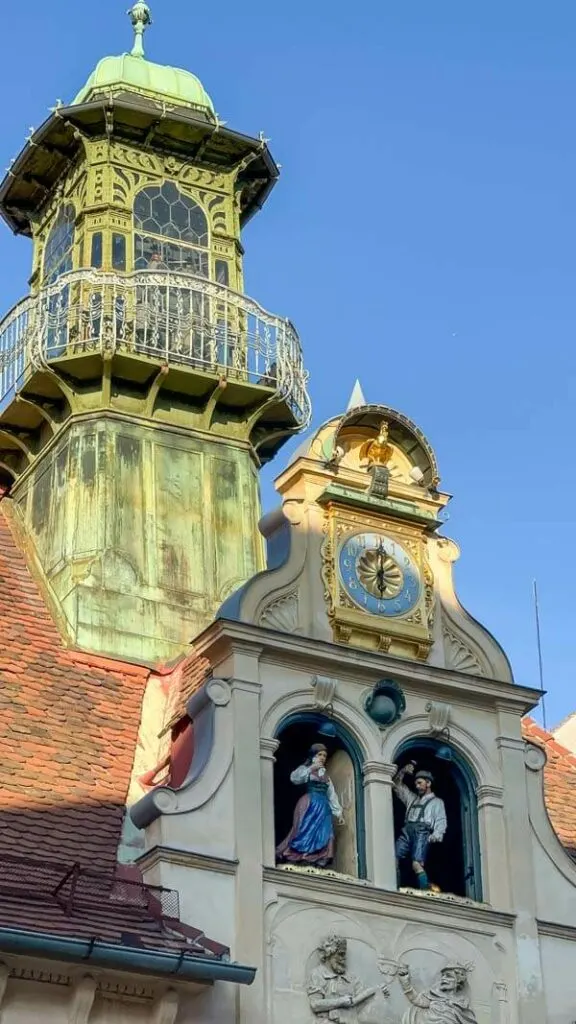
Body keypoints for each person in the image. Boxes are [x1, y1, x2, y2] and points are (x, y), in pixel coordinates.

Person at [276, 743, 343, 868]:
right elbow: (294, 778)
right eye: (320, 754)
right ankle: (298, 856)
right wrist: (310, 768)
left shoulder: (325, 775)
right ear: (313, 755)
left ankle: (317, 858)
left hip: (323, 807)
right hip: (309, 803)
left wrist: (338, 812)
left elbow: (331, 794)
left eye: (324, 755)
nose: (322, 757)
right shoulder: (306, 769)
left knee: (324, 832)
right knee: (303, 829)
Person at [307, 935, 386, 1023]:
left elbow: (362, 998)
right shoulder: (318, 973)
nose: (344, 958)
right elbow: (315, 1004)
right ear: (329, 953)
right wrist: (341, 1001)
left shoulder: (351, 977)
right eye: (340, 954)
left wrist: (378, 992)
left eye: (344, 954)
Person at [394, 762, 446, 890]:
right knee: (393, 857)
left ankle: (424, 888)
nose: (417, 786)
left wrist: (437, 834)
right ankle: (393, 885)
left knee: (416, 863)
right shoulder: (412, 799)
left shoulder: (436, 802)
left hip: (422, 831)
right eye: (416, 783)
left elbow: (441, 819)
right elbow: (396, 785)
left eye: (420, 783)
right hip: (407, 830)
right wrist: (403, 771)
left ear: (428, 783)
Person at [397, 962, 478, 1024]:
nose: (443, 978)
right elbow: (416, 999)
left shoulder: (462, 1004)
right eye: (443, 976)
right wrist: (405, 983)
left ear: (458, 980)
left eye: (448, 976)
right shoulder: (434, 995)